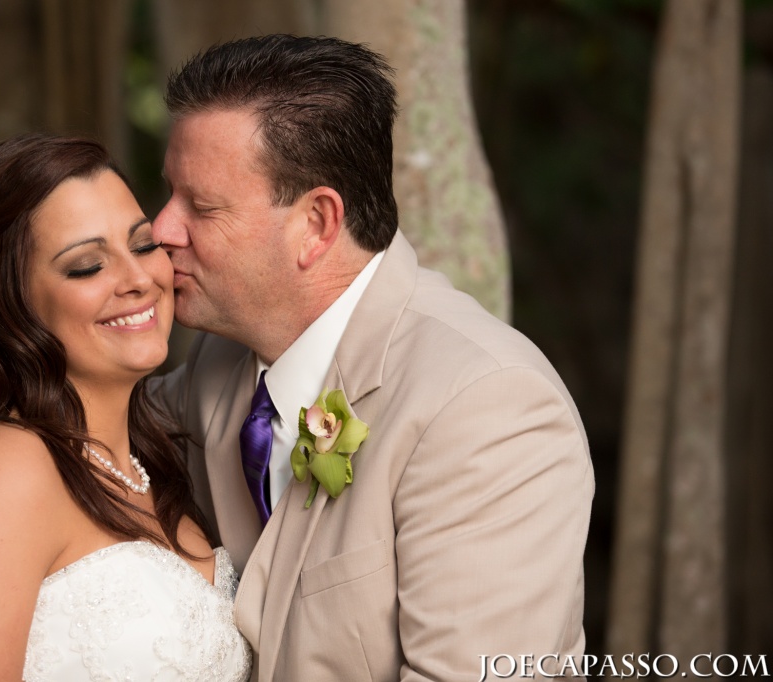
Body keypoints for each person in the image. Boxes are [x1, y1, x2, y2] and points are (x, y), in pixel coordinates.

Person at [149, 35, 594, 680]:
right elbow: (77, 423)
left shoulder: (491, 410)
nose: (161, 228)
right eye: (171, 194)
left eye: (203, 206)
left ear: (316, 224)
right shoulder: (220, 358)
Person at [0, 134, 251, 681]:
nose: (137, 280)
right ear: (6, 302)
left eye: (144, 244)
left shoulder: (163, 459)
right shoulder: (2, 467)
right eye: (86, 266)